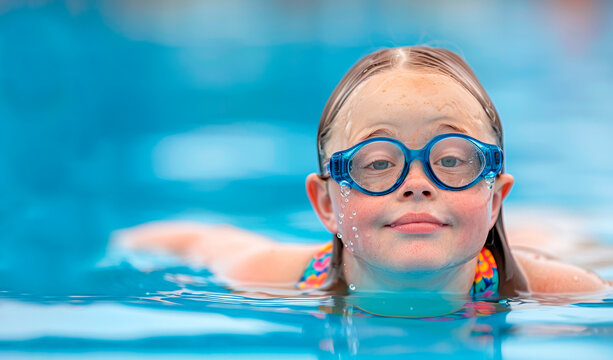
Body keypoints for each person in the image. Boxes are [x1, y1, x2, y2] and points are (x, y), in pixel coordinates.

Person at [115, 46, 611, 309]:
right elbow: (201, 241)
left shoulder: (562, 292)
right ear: (326, 203)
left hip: (531, 250)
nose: (417, 182)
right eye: (377, 163)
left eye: (454, 160)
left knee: (558, 240)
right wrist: (114, 245)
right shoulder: (274, 278)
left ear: (496, 197)